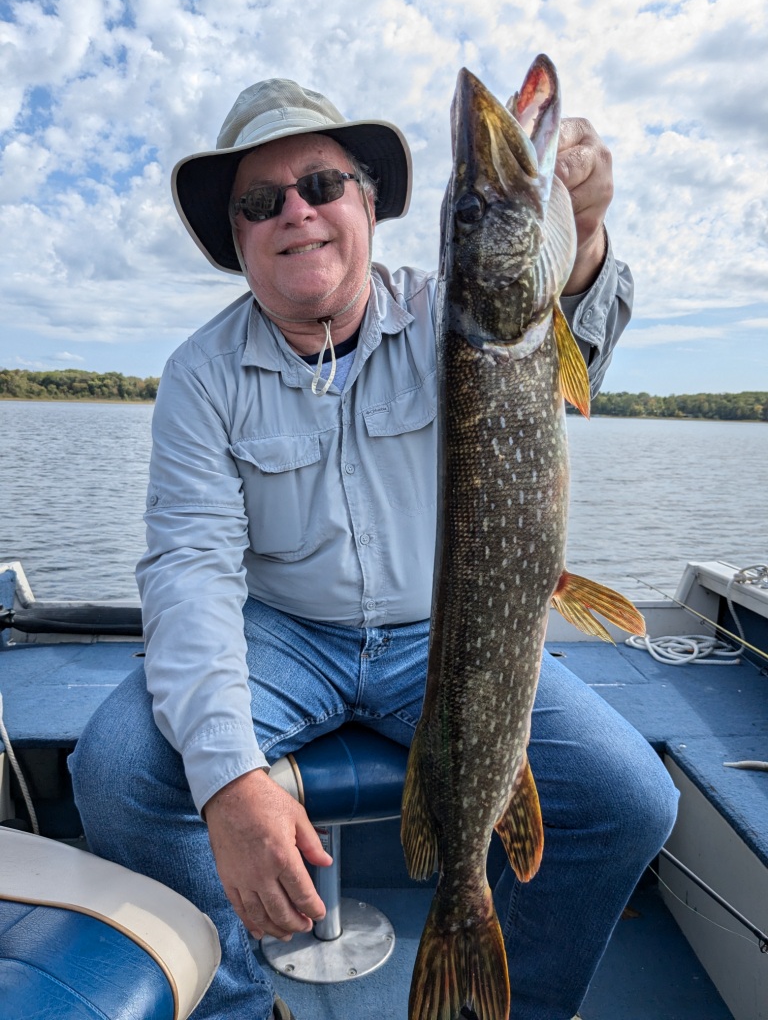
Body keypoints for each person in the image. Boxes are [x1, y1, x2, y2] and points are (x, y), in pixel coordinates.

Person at [70, 78, 678, 1020]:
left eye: (320, 183)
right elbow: (188, 570)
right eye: (261, 202)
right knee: (114, 772)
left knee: (630, 796)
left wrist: (585, 234)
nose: (296, 213)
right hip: (287, 636)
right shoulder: (200, 375)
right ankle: (235, 1005)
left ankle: (512, 1006)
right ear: (237, 237)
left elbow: (569, 358)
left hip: (453, 630)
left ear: (368, 202)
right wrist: (230, 781)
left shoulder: (456, 316)